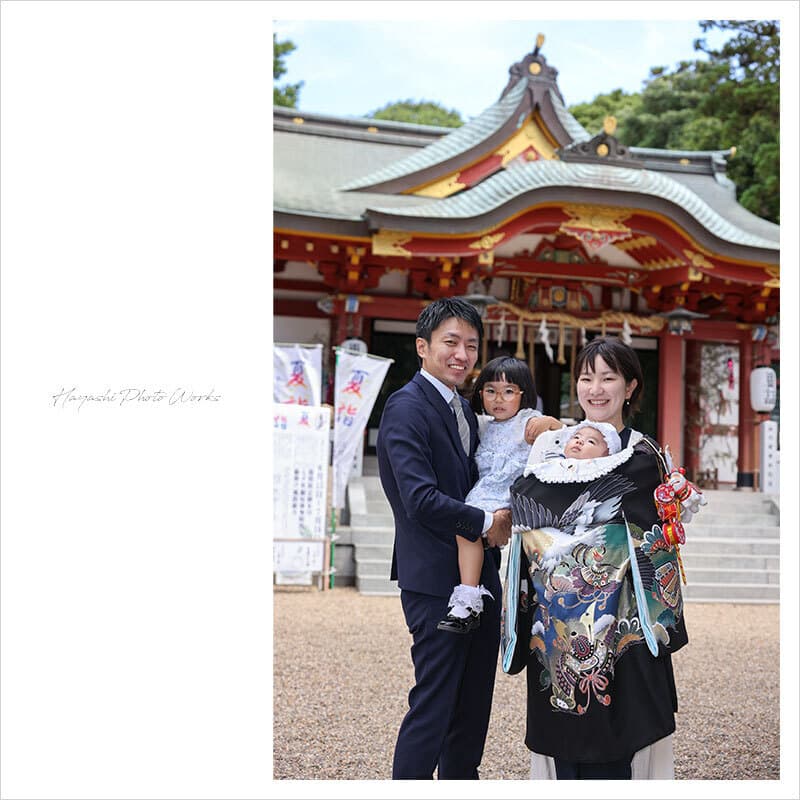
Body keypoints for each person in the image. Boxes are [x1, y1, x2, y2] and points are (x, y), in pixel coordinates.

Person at [502, 336, 691, 781]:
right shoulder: (556, 448)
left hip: (625, 620)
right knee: (562, 732)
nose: (596, 389)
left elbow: (655, 530)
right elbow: (526, 498)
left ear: (630, 387)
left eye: (609, 378)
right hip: (557, 625)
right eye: (587, 378)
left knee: (624, 735)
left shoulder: (645, 456)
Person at [376, 298, 513, 779]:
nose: (462, 354)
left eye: (471, 345)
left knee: (472, 709)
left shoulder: (463, 407)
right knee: (434, 705)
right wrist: (483, 523)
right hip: (435, 582)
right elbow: (418, 498)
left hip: (482, 580)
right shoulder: (406, 406)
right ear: (422, 346)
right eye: (451, 342)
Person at [437, 357, 560, 634]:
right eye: (490, 391)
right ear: (480, 393)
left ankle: (469, 597)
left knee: (467, 524)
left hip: (512, 497)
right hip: (484, 497)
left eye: (508, 392)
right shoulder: (482, 425)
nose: (498, 399)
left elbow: (562, 436)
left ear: (523, 395)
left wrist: (552, 423)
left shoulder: (528, 421)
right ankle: (470, 597)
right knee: (466, 528)